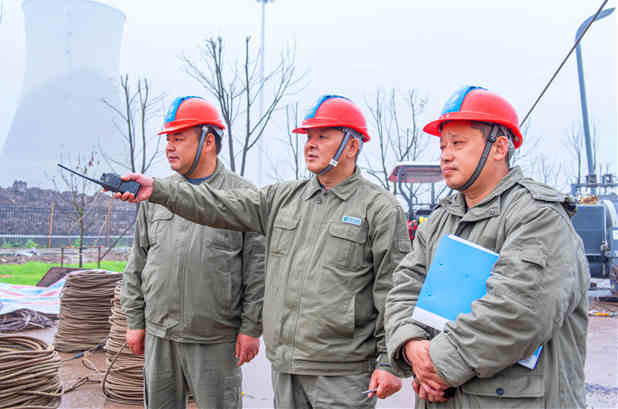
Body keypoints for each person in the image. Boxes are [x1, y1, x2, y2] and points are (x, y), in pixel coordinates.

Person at [114, 95, 409, 408]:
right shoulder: (284, 199)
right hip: (287, 365)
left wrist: (389, 363)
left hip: (343, 370)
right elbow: (217, 204)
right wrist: (158, 190)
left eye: (323, 136)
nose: (310, 145)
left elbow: (394, 290)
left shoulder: (379, 209)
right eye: (308, 136)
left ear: (352, 146)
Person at [385, 86, 589, 408]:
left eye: (458, 144)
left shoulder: (538, 215)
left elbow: (520, 310)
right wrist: (411, 345)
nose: (445, 155)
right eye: (442, 146)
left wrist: (436, 364)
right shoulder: (440, 220)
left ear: (499, 147)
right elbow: (404, 288)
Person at [120, 96, 265, 409]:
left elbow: (258, 271)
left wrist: (251, 328)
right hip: (161, 335)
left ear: (208, 141)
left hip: (215, 338)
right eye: (168, 139)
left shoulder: (243, 196)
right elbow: (137, 262)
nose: (169, 147)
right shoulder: (155, 195)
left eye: (179, 138)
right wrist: (134, 320)